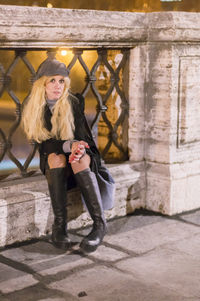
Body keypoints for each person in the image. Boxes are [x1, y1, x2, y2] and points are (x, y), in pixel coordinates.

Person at [22, 57, 114, 253]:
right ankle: (60, 226)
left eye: (61, 81)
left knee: (79, 159)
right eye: (52, 80)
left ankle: (99, 225)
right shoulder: (33, 105)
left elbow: (84, 136)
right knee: (56, 157)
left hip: (81, 153)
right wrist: (68, 145)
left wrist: (78, 146)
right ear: (43, 83)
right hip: (58, 158)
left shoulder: (73, 101)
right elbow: (45, 145)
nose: (58, 86)